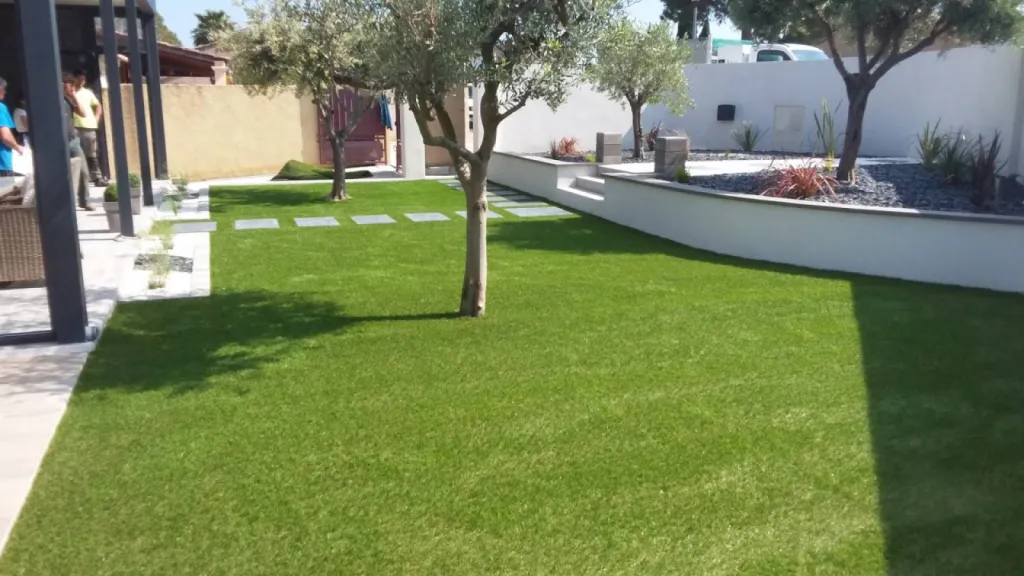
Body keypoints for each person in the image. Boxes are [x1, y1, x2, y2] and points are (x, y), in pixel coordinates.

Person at [62, 73, 93, 210]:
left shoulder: (69, 100)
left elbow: (83, 113)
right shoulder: (54, 99)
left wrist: (74, 95)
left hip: (72, 140)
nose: (72, 87)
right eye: (70, 84)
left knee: (83, 171)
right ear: (63, 84)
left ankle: (84, 200)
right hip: (59, 142)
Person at [73, 70, 107, 186]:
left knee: (91, 154)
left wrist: (96, 118)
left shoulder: (88, 93)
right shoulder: (70, 93)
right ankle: (80, 180)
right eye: (79, 79)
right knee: (76, 154)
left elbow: (98, 105)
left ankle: (97, 178)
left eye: (83, 79)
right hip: (74, 127)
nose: (82, 81)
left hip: (88, 126)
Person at [0, 77, 25, 177]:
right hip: (2, 166)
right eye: (3, 88)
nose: (5, 92)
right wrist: (17, 147)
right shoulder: (1, 108)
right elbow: (5, 137)